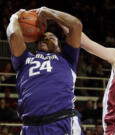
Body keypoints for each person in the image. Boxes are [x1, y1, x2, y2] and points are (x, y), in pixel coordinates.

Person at [6, 7, 83, 135]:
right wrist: (15, 17)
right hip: (30, 126)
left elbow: (76, 25)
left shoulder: (67, 57)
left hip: (61, 121)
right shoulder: (25, 59)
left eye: (50, 37)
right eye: (42, 38)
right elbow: (14, 35)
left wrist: (48, 12)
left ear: (59, 44)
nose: (45, 38)